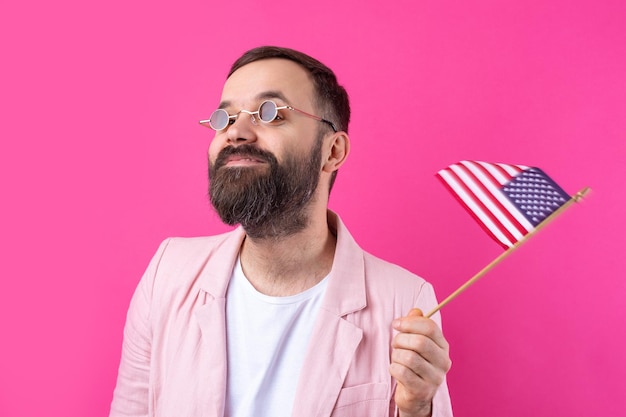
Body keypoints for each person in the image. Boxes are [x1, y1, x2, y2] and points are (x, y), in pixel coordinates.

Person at [110, 46, 453, 417]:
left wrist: (417, 409)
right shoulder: (168, 273)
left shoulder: (407, 301)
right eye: (224, 117)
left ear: (332, 150)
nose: (237, 132)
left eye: (269, 113)